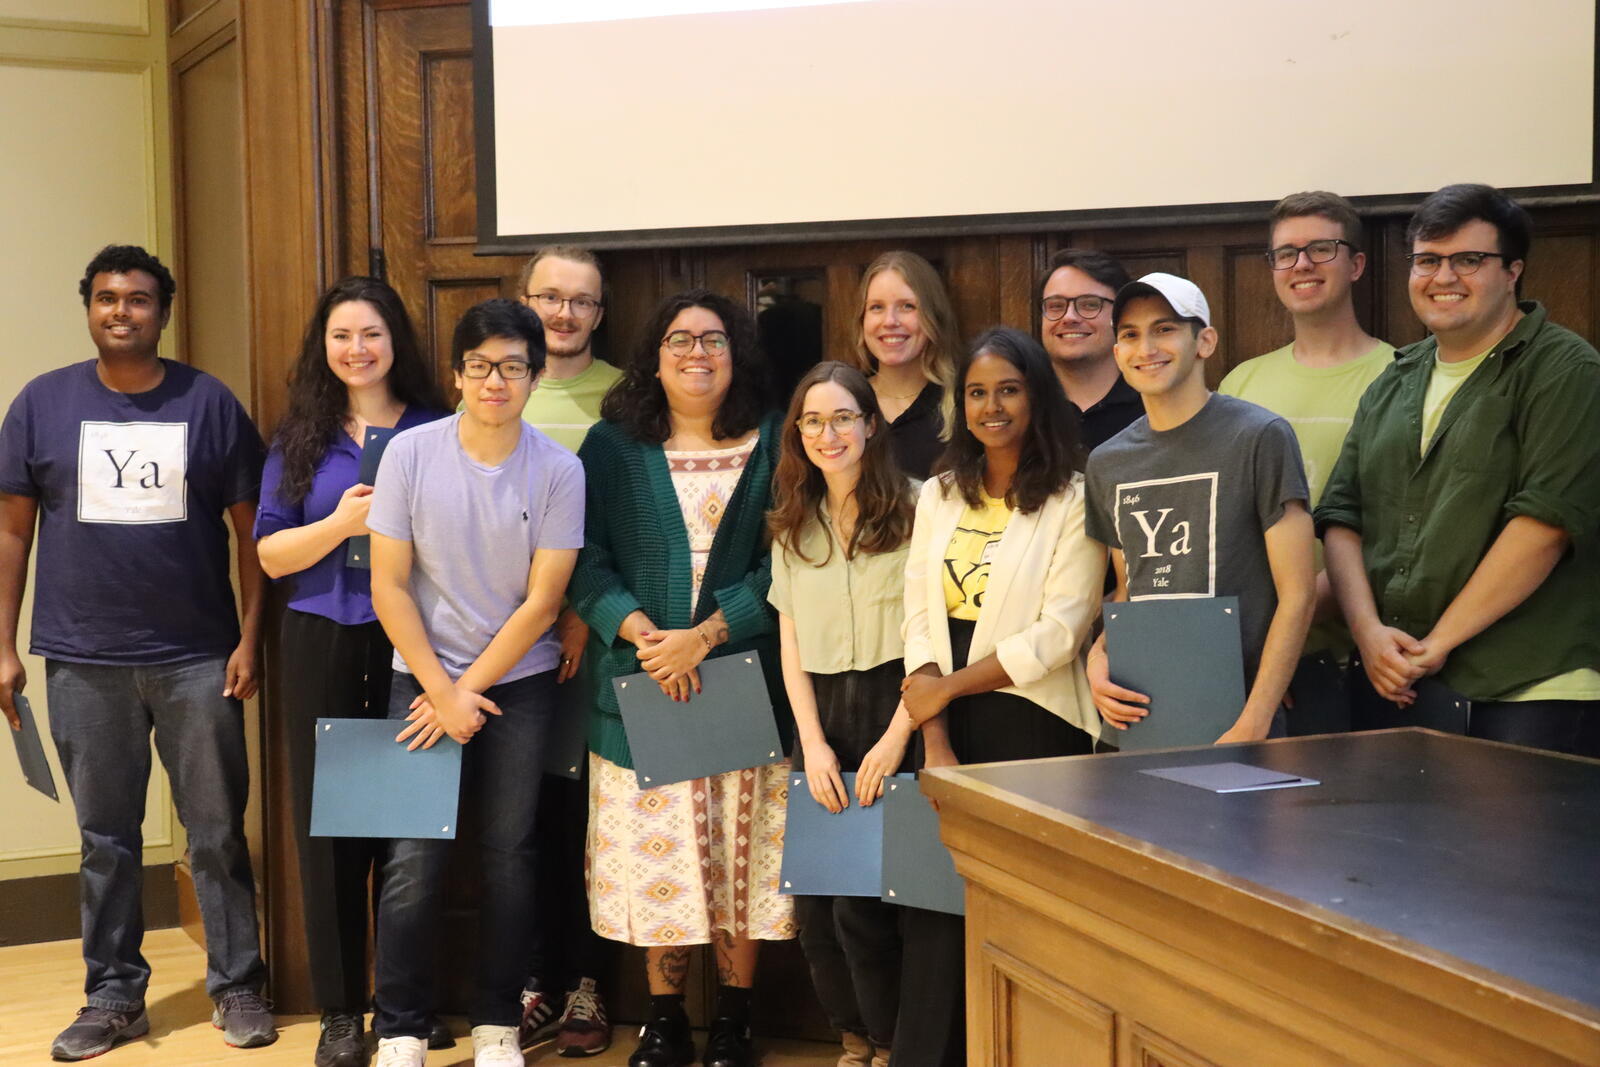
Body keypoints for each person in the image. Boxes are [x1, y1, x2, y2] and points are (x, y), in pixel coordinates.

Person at [0, 245, 275, 1060]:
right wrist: (3, 646)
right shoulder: (42, 404)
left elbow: (252, 534)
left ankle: (239, 985)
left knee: (217, 830)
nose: (122, 310)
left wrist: (252, 637)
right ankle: (114, 994)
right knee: (106, 837)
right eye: (108, 297)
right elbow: (12, 532)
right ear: (89, 307)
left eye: (140, 299)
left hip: (198, 656)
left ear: (164, 310)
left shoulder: (209, 403)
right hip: (82, 657)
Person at [569, 289, 791, 1067]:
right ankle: (663, 1018)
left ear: (738, 355)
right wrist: (645, 634)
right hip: (642, 689)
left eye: (714, 339)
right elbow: (583, 562)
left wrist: (706, 634)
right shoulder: (611, 445)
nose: (697, 353)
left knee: (741, 858)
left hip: (742, 690)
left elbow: (791, 558)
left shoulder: (774, 439)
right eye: (679, 340)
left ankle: (734, 1016)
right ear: (653, 358)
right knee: (659, 858)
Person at [366, 299, 584, 1067]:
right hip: (419, 679)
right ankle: (399, 1027)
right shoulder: (409, 455)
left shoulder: (560, 467)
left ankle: (497, 1021)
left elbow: (544, 601)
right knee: (412, 861)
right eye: (483, 365)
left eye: (514, 367)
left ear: (534, 375)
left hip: (517, 684)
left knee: (509, 854)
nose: (497, 380)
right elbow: (389, 585)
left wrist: (468, 692)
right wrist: (440, 687)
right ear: (459, 373)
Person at [1318, 184, 1600, 756]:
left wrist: (1437, 643)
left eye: (1469, 260)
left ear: (1513, 270)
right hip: (1398, 681)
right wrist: (1368, 632)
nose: (1443, 276)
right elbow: (1342, 516)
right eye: (1427, 261)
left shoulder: (1567, 370)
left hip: (1526, 690)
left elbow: (1545, 526)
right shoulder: (1395, 378)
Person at [898, 327, 1108, 1067]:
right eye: (978, 392)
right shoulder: (941, 492)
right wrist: (935, 735)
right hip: (947, 723)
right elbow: (918, 610)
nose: (992, 405)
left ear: (1036, 396)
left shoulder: (1076, 495)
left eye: (1008, 389)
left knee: (1023, 916)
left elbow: (1061, 632)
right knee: (935, 911)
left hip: (1034, 723)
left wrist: (946, 688)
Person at [254, 276, 449, 1067]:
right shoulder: (301, 435)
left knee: (414, 824)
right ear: (323, 346)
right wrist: (339, 522)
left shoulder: (441, 429)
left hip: (416, 643)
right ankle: (342, 1012)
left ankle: (406, 1004)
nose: (357, 349)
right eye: (342, 335)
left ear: (395, 340)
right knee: (330, 825)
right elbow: (270, 553)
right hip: (322, 635)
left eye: (371, 333)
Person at [1084, 273, 1316, 744]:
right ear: (1116, 354)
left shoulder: (1260, 436)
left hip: (1237, 721)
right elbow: (1131, 590)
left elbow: (1298, 594)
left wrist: (1256, 719)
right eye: (1129, 335)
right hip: (1135, 720)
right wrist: (1098, 657)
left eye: (1165, 329)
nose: (1145, 347)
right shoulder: (1106, 462)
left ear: (1204, 341)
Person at [767, 362, 917, 1067]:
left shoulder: (920, 509)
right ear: (799, 433)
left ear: (871, 424)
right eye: (813, 421)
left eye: (843, 418)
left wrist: (896, 737)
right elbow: (790, 648)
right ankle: (851, 1040)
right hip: (821, 725)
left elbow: (933, 642)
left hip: (895, 713)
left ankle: (890, 1044)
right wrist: (813, 746)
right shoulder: (794, 522)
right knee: (818, 913)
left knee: (868, 908)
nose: (829, 433)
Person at [1218, 192, 1394, 732]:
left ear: (1356, 264)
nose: (1302, 265)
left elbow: (1394, 530)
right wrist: (1264, 648)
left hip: (1359, 665)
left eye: (1321, 248)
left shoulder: (1401, 375)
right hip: (1253, 666)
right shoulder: (1240, 383)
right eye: (1286, 253)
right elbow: (1225, 529)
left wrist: (1284, 629)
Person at [513, 244, 620, 1056]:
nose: (563, 313)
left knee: (588, 814)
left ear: (600, 310)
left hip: (586, 643)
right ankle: (536, 983)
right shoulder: (498, 388)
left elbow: (618, 528)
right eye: (549, 296)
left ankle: (590, 984)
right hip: (501, 643)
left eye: (579, 301)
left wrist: (582, 613)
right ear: (524, 299)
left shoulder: (623, 398)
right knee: (527, 822)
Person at [849, 251, 960, 479]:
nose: (890, 321)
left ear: (934, 316)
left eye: (907, 306)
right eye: (877, 307)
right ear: (862, 321)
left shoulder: (963, 404)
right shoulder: (846, 401)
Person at [1037, 248, 1141, 451]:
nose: (1069, 317)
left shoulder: (1153, 403)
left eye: (1089, 305)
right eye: (1056, 306)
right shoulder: (1021, 404)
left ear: (1122, 316)